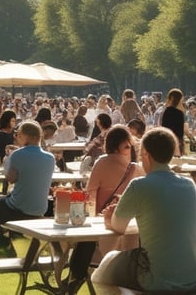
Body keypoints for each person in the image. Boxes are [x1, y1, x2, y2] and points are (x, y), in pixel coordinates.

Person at [91, 127, 196, 294]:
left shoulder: (140, 185)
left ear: (145, 153)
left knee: (101, 273)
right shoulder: (189, 185)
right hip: (193, 278)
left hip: (157, 279)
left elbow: (118, 227)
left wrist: (109, 217)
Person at [66, 125, 145, 293]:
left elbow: (90, 195)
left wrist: (91, 218)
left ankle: (71, 282)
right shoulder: (137, 169)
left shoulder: (102, 162)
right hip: (130, 234)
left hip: (103, 230)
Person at [0, 120, 55, 238]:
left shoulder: (17, 155)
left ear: (25, 136)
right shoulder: (50, 158)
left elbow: (10, 178)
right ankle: (13, 233)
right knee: (5, 198)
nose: (16, 137)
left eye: (18, 134)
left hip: (19, 208)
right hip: (40, 208)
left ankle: (4, 236)